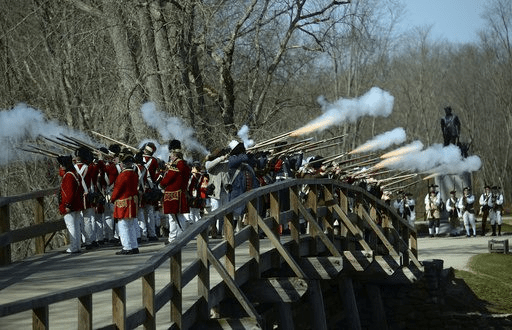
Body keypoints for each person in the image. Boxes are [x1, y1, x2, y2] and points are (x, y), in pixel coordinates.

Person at [159, 139, 191, 244]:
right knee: (173, 217)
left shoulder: (177, 164)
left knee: (177, 216)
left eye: (172, 155)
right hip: (178, 192)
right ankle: (172, 238)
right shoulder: (182, 164)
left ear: (175, 154)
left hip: (174, 194)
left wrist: (161, 182)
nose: (170, 157)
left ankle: (182, 237)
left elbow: (168, 178)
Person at [111, 149, 140, 255]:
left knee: (123, 225)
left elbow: (117, 190)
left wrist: (112, 199)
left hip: (123, 203)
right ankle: (134, 246)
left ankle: (127, 247)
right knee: (131, 225)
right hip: (132, 202)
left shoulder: (123, 175)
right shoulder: (134, 174)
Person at [58, 155, 85, 254]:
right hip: (76, 203)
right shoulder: (74, 173)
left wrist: (68, 205)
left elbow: (69, 193)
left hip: (70, 205)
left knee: (71, 226)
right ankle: (77, 246)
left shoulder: (69, 176)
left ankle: (74, 247)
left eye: (61, 165)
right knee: (76, 226)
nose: (60, 167)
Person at [205, 148, 230, 238]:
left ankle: (222, 231)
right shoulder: (209, 163)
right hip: (215, 191)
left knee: (225, 213)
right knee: (215, 213)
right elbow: (208, 166)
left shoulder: (225, 163)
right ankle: (214, 230)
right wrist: (221, 158)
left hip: (225, 191)